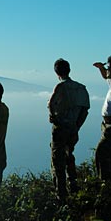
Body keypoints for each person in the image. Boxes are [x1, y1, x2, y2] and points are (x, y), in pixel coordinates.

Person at [48, 59, 90, 202]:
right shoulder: (81, 88)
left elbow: (51, 104)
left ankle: (61, 194)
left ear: (56, 72)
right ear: (69, 70)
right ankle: (74, 186)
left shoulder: (61, 87)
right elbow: (85, 110)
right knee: (69, 155)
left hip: (60, 128)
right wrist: (77, 125)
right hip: (73, 128)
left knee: (57, 160)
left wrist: (54, 117)